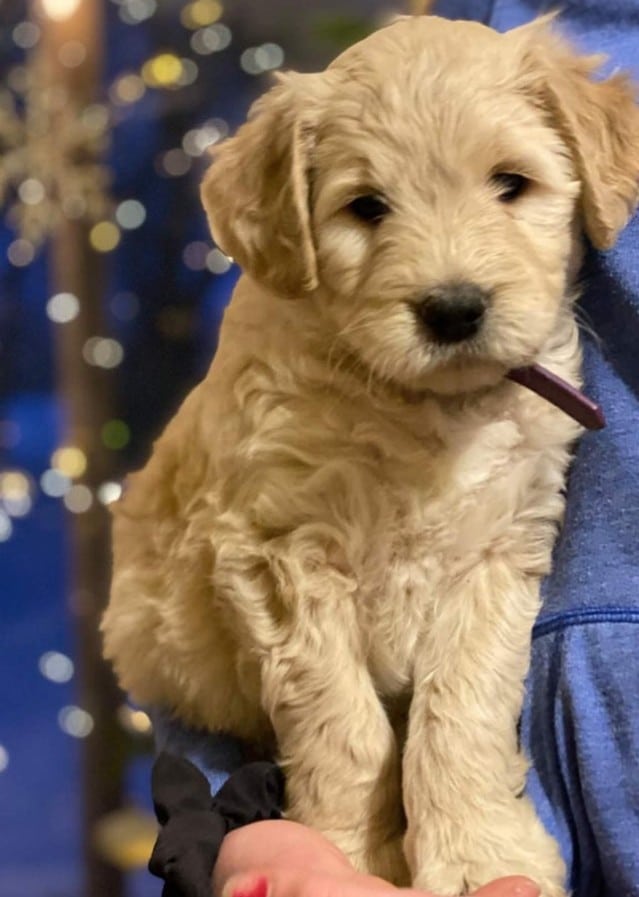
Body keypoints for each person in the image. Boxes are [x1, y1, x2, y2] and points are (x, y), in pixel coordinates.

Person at [149, 2, 639, 896]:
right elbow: (239, 558)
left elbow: (499, 556)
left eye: (509, 186)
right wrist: (261, 824)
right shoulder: (476, 31)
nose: (448, 277)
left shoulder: (551, 88)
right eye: (366, 206)